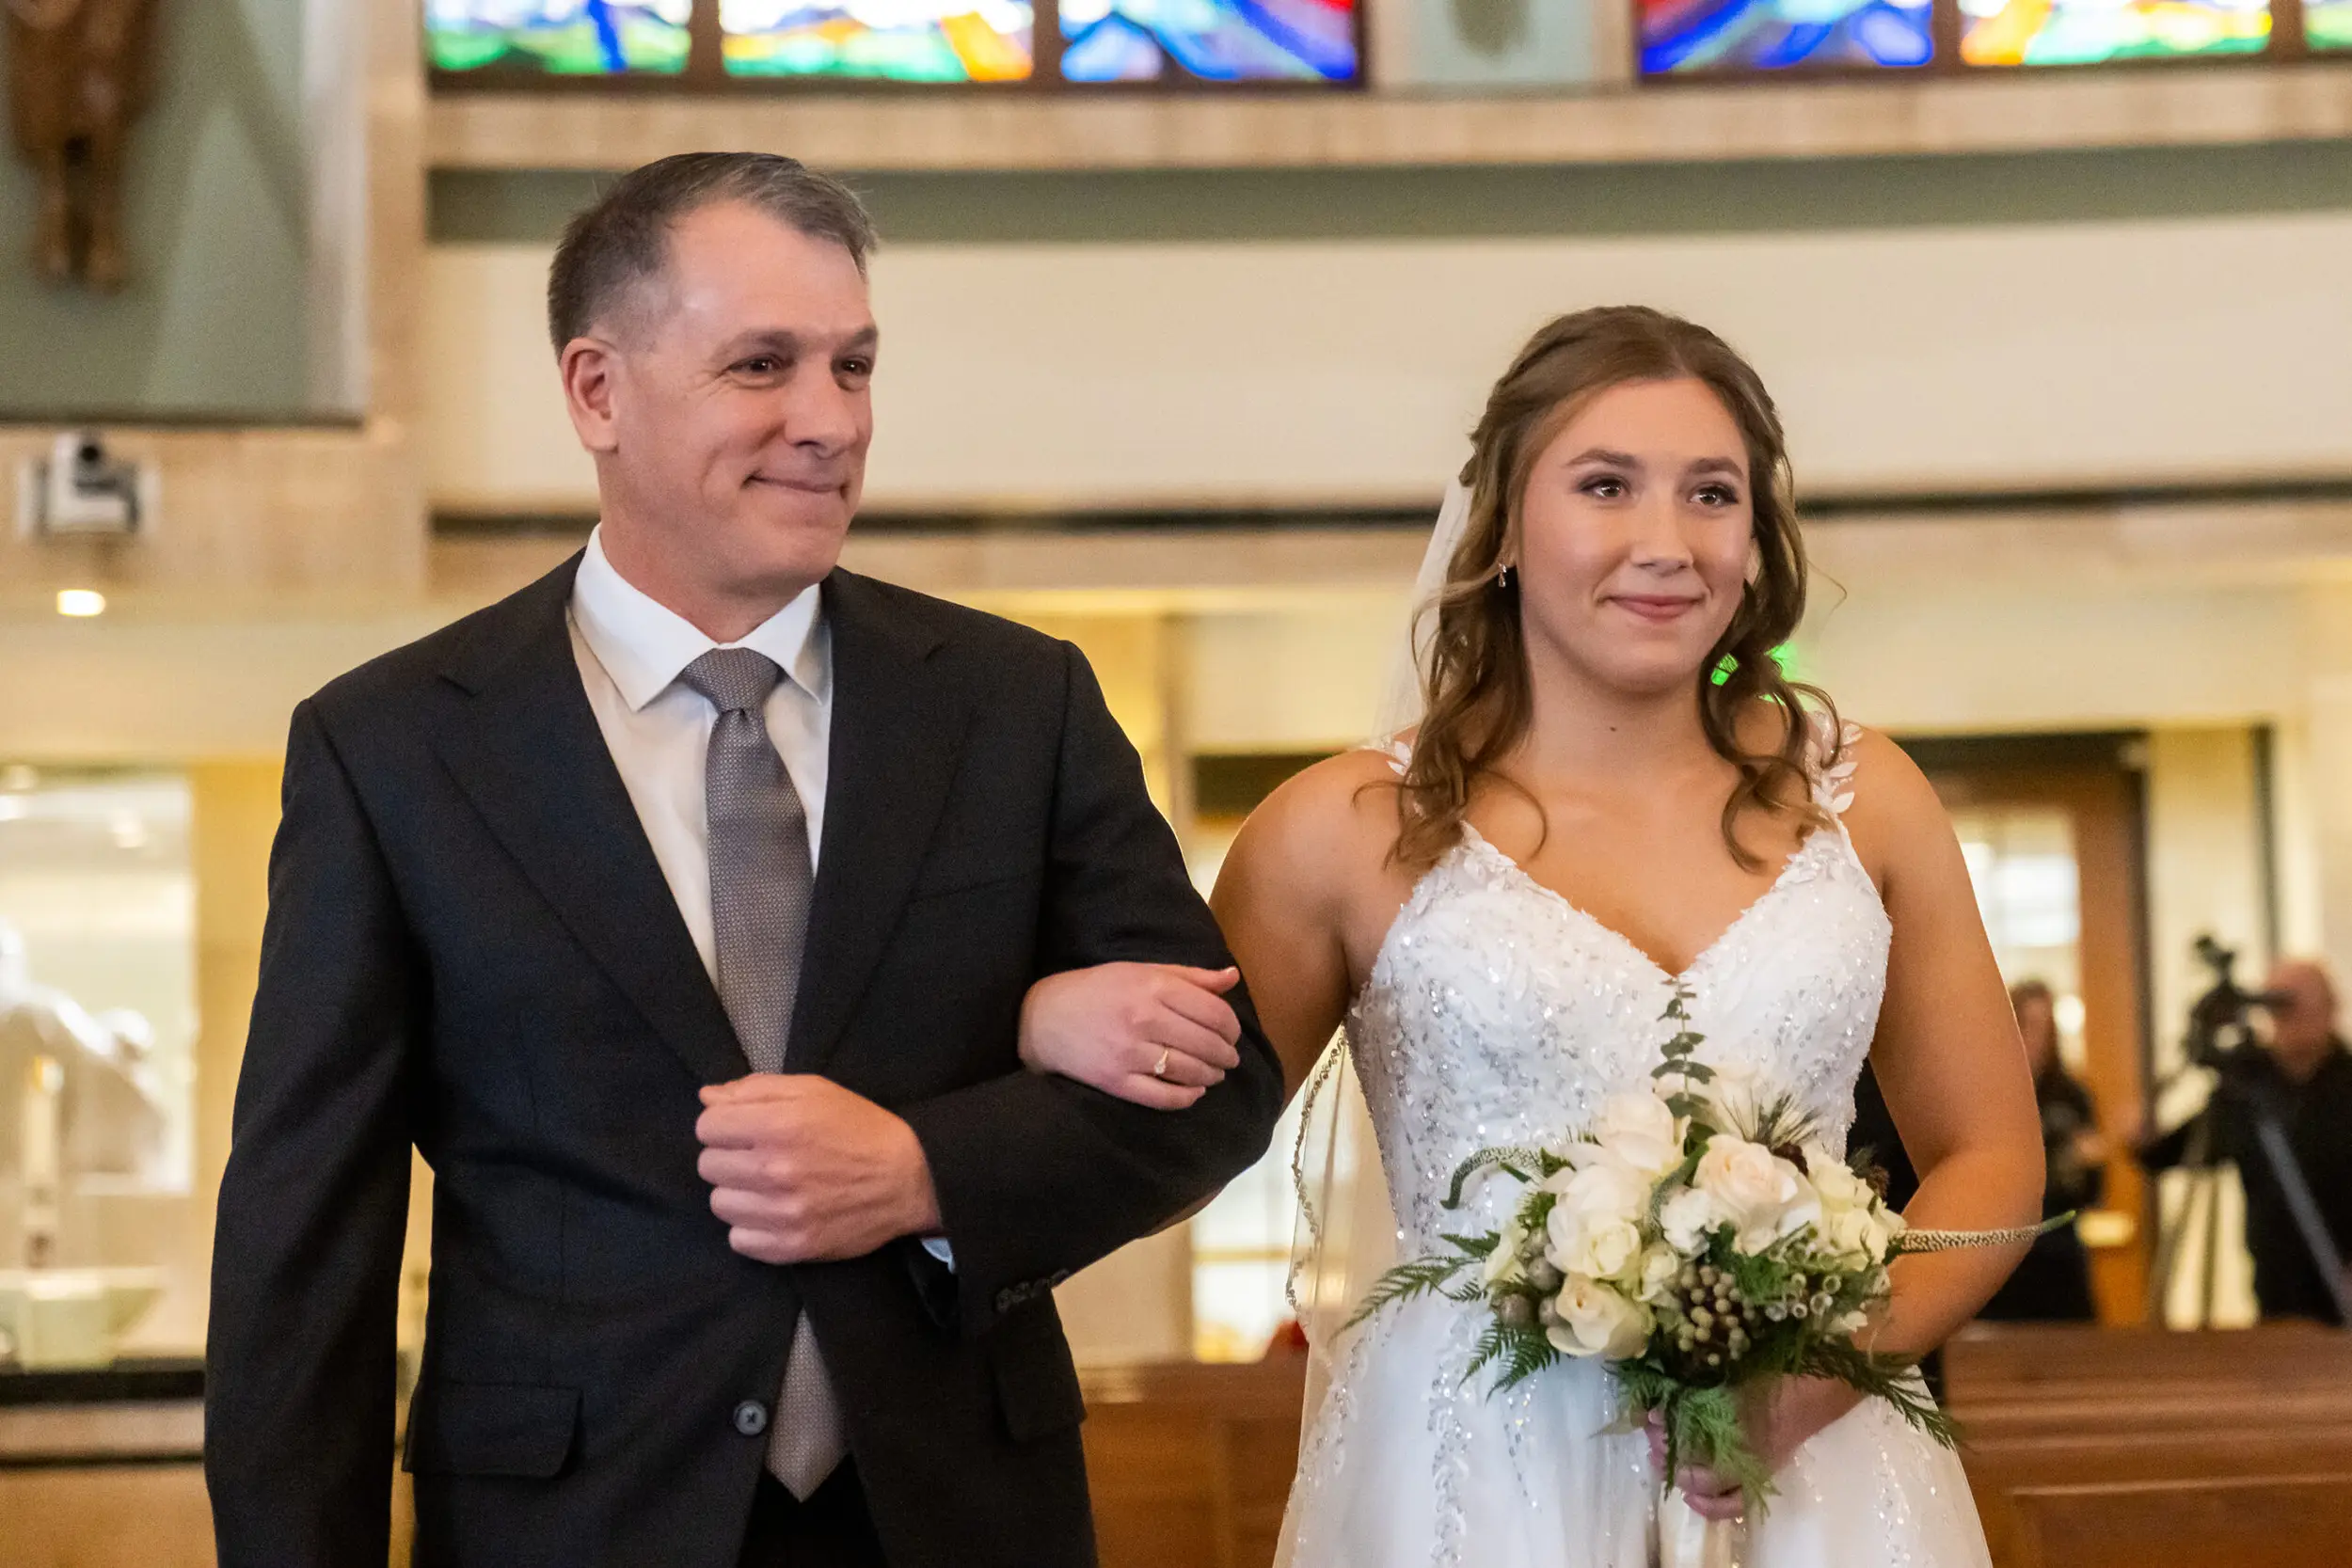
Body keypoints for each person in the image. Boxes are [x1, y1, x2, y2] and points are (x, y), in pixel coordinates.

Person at [203, 152, 1285, 1568]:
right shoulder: (394, 749)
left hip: (956, 1513)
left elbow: (1222, 1084)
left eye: (855, 364)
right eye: (762, 365)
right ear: (597, 390)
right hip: (574, 1521)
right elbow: (306, 1244)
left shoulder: (1017, 705)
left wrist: (922, 1167)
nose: (828, 421)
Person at [1024, 306, 2043, 1564]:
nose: (1665, 543)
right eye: (1606, 485)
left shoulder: (1866, 796)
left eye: (1711, 493)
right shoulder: (1339, 830)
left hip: (1813, 1471)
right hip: (1471, 1472)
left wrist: (1827, 1370)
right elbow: (1174, 1140)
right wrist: (1044, 1018)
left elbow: (1991, 1155)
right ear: (1503, 524)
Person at [2140, 958, 2352, 1323]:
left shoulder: (2345, 1084)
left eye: (2300, 1003)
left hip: (2342, 1279)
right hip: (2274, 1283)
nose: (2289, 1016)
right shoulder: (2246, 1086)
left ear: (2331, 1008)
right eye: (2280, 1005)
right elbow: (2186, 1149)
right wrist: (2142, 1136)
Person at [1977, 980, 2103, 1322]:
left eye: (2044, 1029)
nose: (2034, 1040)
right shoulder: (1984, 1094)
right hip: (1998, 1249)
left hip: (2057, 1250)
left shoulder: (2071, 1095)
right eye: (2026, 1025)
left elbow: (2093, 1190)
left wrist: (2086, 1163)